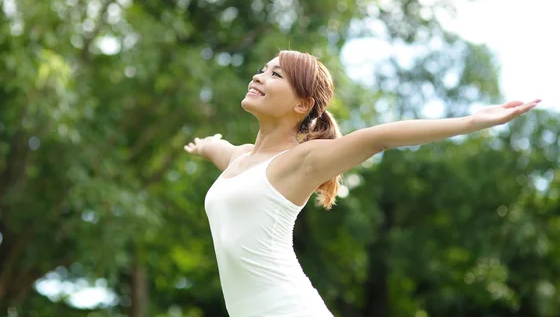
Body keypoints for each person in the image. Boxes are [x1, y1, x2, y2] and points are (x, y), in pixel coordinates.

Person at [183, 50, 540, 317]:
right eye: (262, 70)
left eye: (275, 74)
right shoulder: (239, 158)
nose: (259, 76)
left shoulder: (301, 161)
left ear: (302, 104)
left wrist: (471, 122)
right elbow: (221, 148)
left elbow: (378, 138)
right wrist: (204, 146)